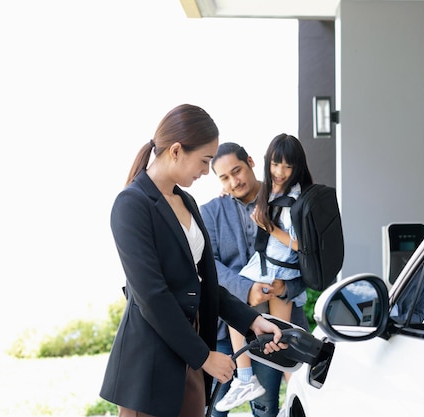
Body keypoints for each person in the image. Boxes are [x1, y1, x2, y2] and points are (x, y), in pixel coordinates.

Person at [99, 104, 284, 417]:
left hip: (192, 344)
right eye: (204, 160)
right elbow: (152, 295)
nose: (205, 170)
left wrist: (250, 320)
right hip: (152, 356)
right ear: (175, 151)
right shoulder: (131, 204)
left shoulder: (186, 201)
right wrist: (203, 357)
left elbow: (205, 284)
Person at [200, 142, 309, 417]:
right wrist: (246, 290)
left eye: (237, 171)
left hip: (276, 327)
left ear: (250, 161)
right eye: (224, 177)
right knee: (213, 409)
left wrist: (286, 287)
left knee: (266, 409)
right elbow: (207, 264)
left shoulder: (286, 202)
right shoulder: (211, 212)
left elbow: (307, 259)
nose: (234, 181)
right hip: (226, 328)